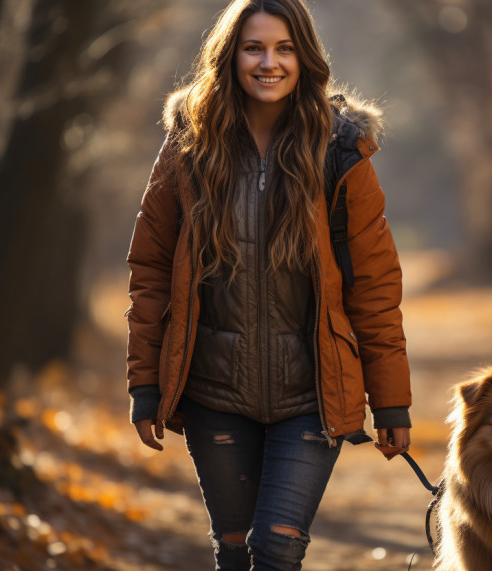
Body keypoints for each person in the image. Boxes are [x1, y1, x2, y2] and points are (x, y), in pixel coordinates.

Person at [124, 0, 412, 568]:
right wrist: (145, 385)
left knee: (277, 548)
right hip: (213, 394)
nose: (268, 63)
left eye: (284, 49)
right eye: (253, 48)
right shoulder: (189, 147)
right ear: (229, 57)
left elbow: (375, 287)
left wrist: (393, 403)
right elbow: (151, 271)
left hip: (311, 399)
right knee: (233, 553)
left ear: (305, 58)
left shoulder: (340, 151)